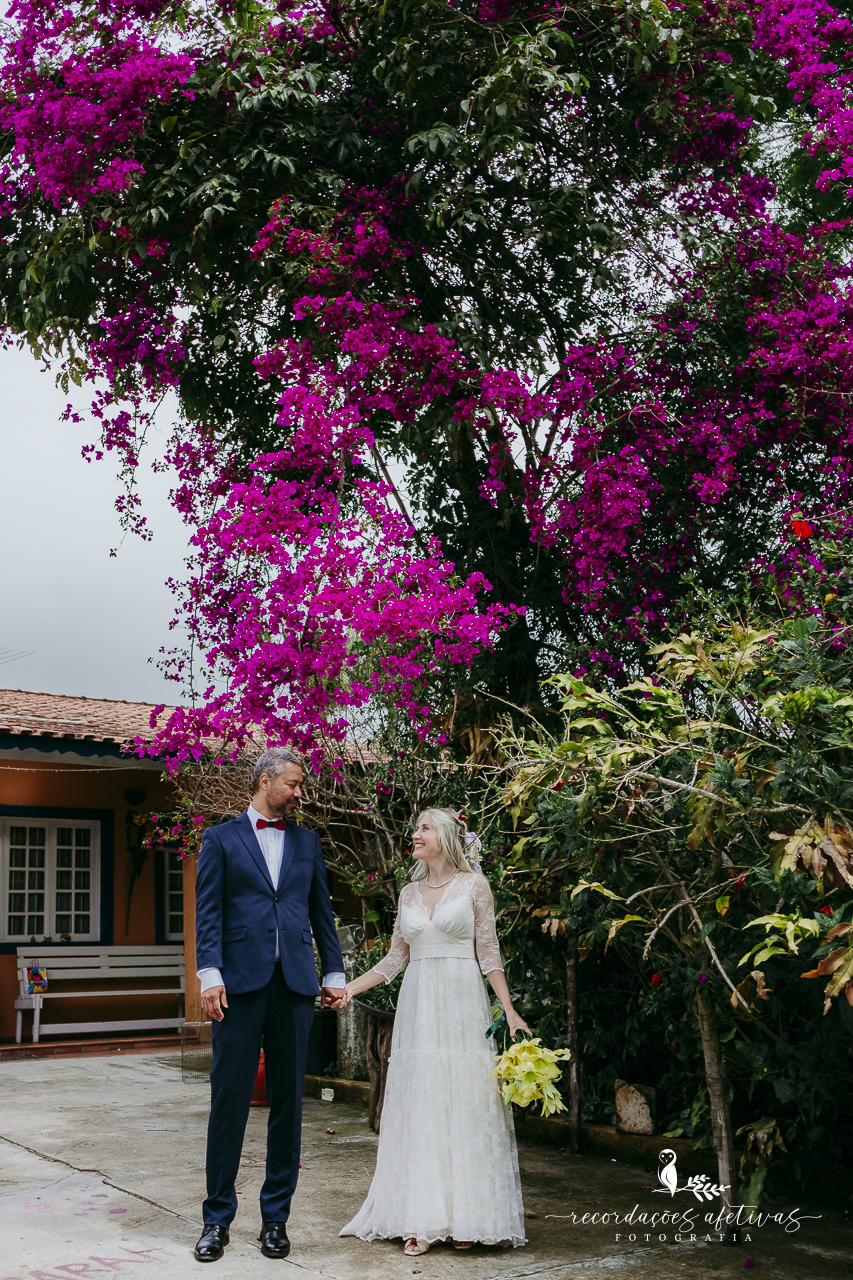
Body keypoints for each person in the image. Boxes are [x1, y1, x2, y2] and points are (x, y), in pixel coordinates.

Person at [339, 807, 529, 1255]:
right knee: (422, 1102)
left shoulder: (474, 886)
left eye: (423, 827)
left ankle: (468, 1217)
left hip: (463, 1004)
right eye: (416, 826)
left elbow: (489, 953)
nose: (415, 833)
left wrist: (510, 1010)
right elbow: (394, 960)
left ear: (444, 835)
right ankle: (420, 1219)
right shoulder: (407, 892)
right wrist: (349, 987)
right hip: (419, 1006)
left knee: (464, 1101)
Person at [193, 748, 346, 1263]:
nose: (299, 793)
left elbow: (321, 911)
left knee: (288, 1104)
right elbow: (208, 913)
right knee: (229, 1101)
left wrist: (333, 972)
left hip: (296, 987)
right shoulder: (220, 839)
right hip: (237, 986)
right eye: (293, 784)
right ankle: (217, 1219)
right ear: (265, 780)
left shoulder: (307, 842)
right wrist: (209, 976)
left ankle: (275, 1219)